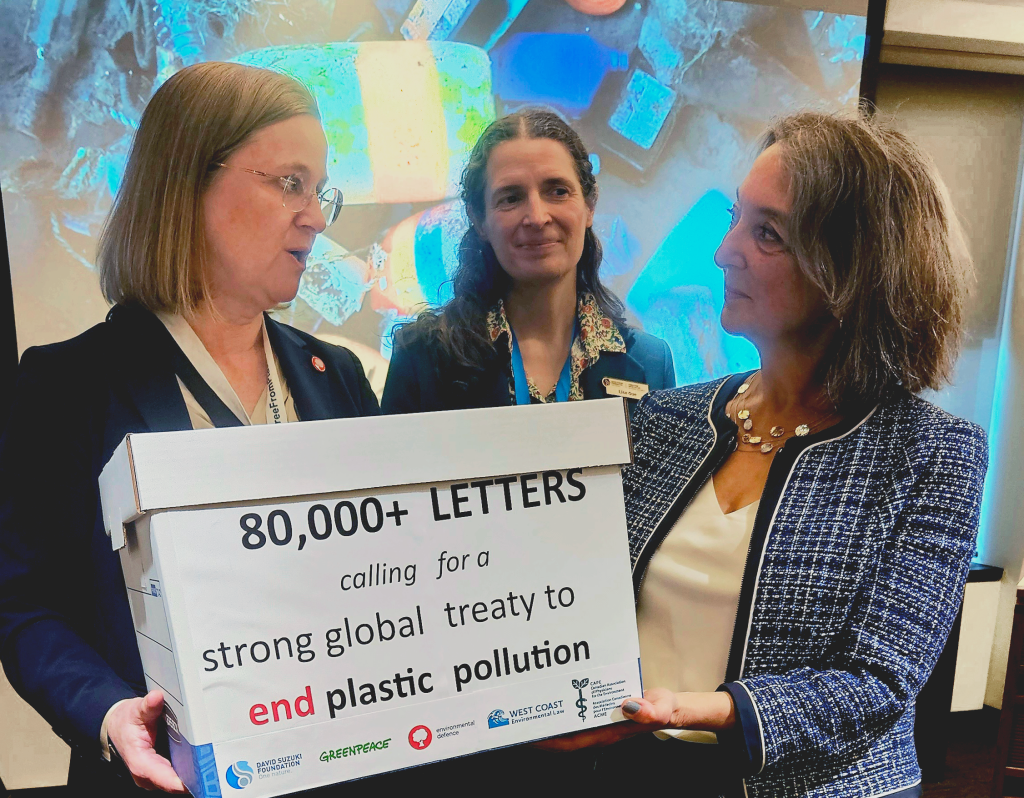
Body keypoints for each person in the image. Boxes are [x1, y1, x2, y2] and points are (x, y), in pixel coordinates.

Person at [539, 110, 988, 797]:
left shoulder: (933, 453)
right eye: (735, 217)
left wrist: (717, 711)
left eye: (767, 234)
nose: (724, 251)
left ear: (853, 270)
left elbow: (878, 682)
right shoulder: (665, 419)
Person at [0, 62, 379, 794]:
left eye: (320, 189)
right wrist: (109, 713)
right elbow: (24, 603)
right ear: (189, 181)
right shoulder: (68, 386)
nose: (318, 216)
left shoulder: (341, 376)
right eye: (290, 183)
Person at [380, 109, 675, 416]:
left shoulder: (650, 364)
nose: (536, 217)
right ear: (478, 219)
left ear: (589, 206)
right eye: (511, 198)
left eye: (558, 191)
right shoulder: (422, 361)